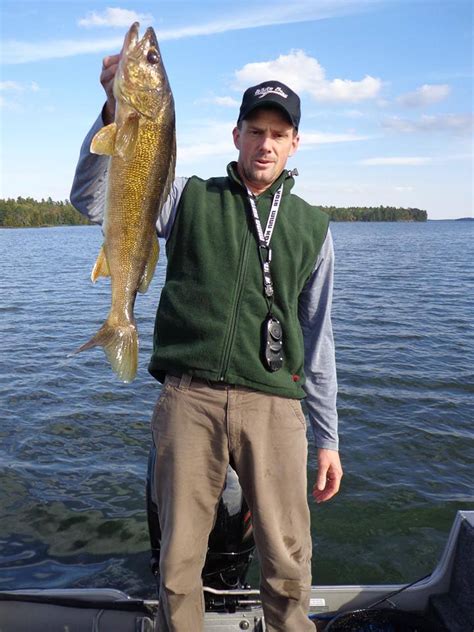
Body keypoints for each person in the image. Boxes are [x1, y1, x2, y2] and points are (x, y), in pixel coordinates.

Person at [70, 52, 343, 632]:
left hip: (275, 407)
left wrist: (328, 439)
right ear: (236, 135)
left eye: (278, 134)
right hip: (187, 402)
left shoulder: (313, 229)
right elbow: (92, 200)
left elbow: (317, 341)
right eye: (255, 132)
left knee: (289, 564)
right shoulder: (187, 197)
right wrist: (111, 109)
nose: (265, 144)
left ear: (295, 143)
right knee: (176, 565)